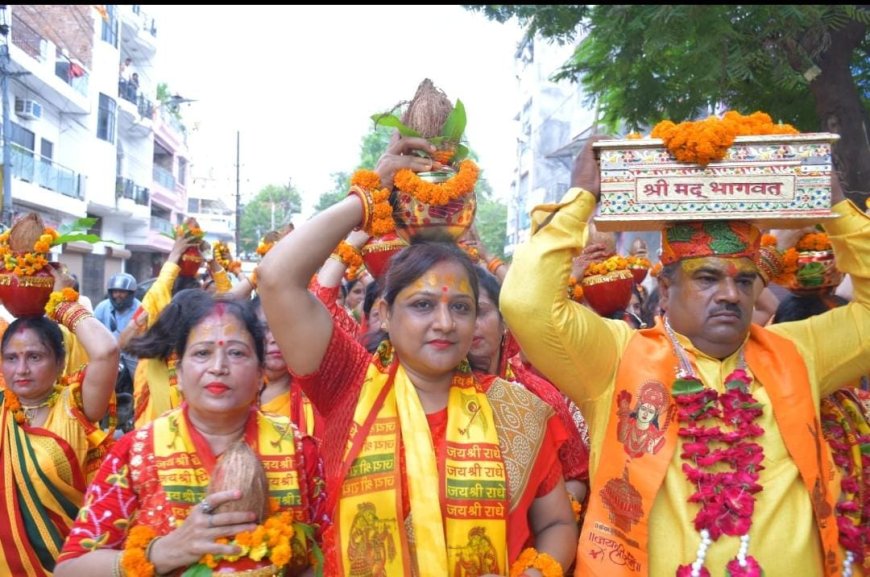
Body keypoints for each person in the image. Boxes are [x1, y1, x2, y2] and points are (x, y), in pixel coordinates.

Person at [500, 136, 870, 576]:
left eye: (746, 281)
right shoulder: (617, 356)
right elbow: (526, 302)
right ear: (668, 288)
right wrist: (581, 198)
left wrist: (839, 211)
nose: (730, 294)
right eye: (708, 278)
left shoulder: (798, 351)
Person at [257, 134, 578, 577]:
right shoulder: (347, 384)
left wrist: (535, 573)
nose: (444, 323)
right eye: (423, 305)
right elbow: (275, 277)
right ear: (385, 314)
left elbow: (557, 522)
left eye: (461, 308)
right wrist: (370, 194)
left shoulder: (517, 410)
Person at [54, 291, 326, 577]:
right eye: (202, 353)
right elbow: (70, 569)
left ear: (260, 373)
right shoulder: (137, 453)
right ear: (180, 373)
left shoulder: (298, 449)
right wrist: (163, 552)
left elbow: (329, 552)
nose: (218, 367)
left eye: (236, 352)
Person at [0, 266, 119, 576]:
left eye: (35, 357)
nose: (21, 369)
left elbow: (106, 351)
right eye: (11, 358)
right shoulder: (2, 406)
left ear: (60, 362)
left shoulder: (76, 405)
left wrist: (62, 302)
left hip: (70, 564)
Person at [252, 295, 323, 438]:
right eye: (265, 329)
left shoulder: (314, 392)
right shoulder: (239, 389)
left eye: (284, 327)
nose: (274, 338)